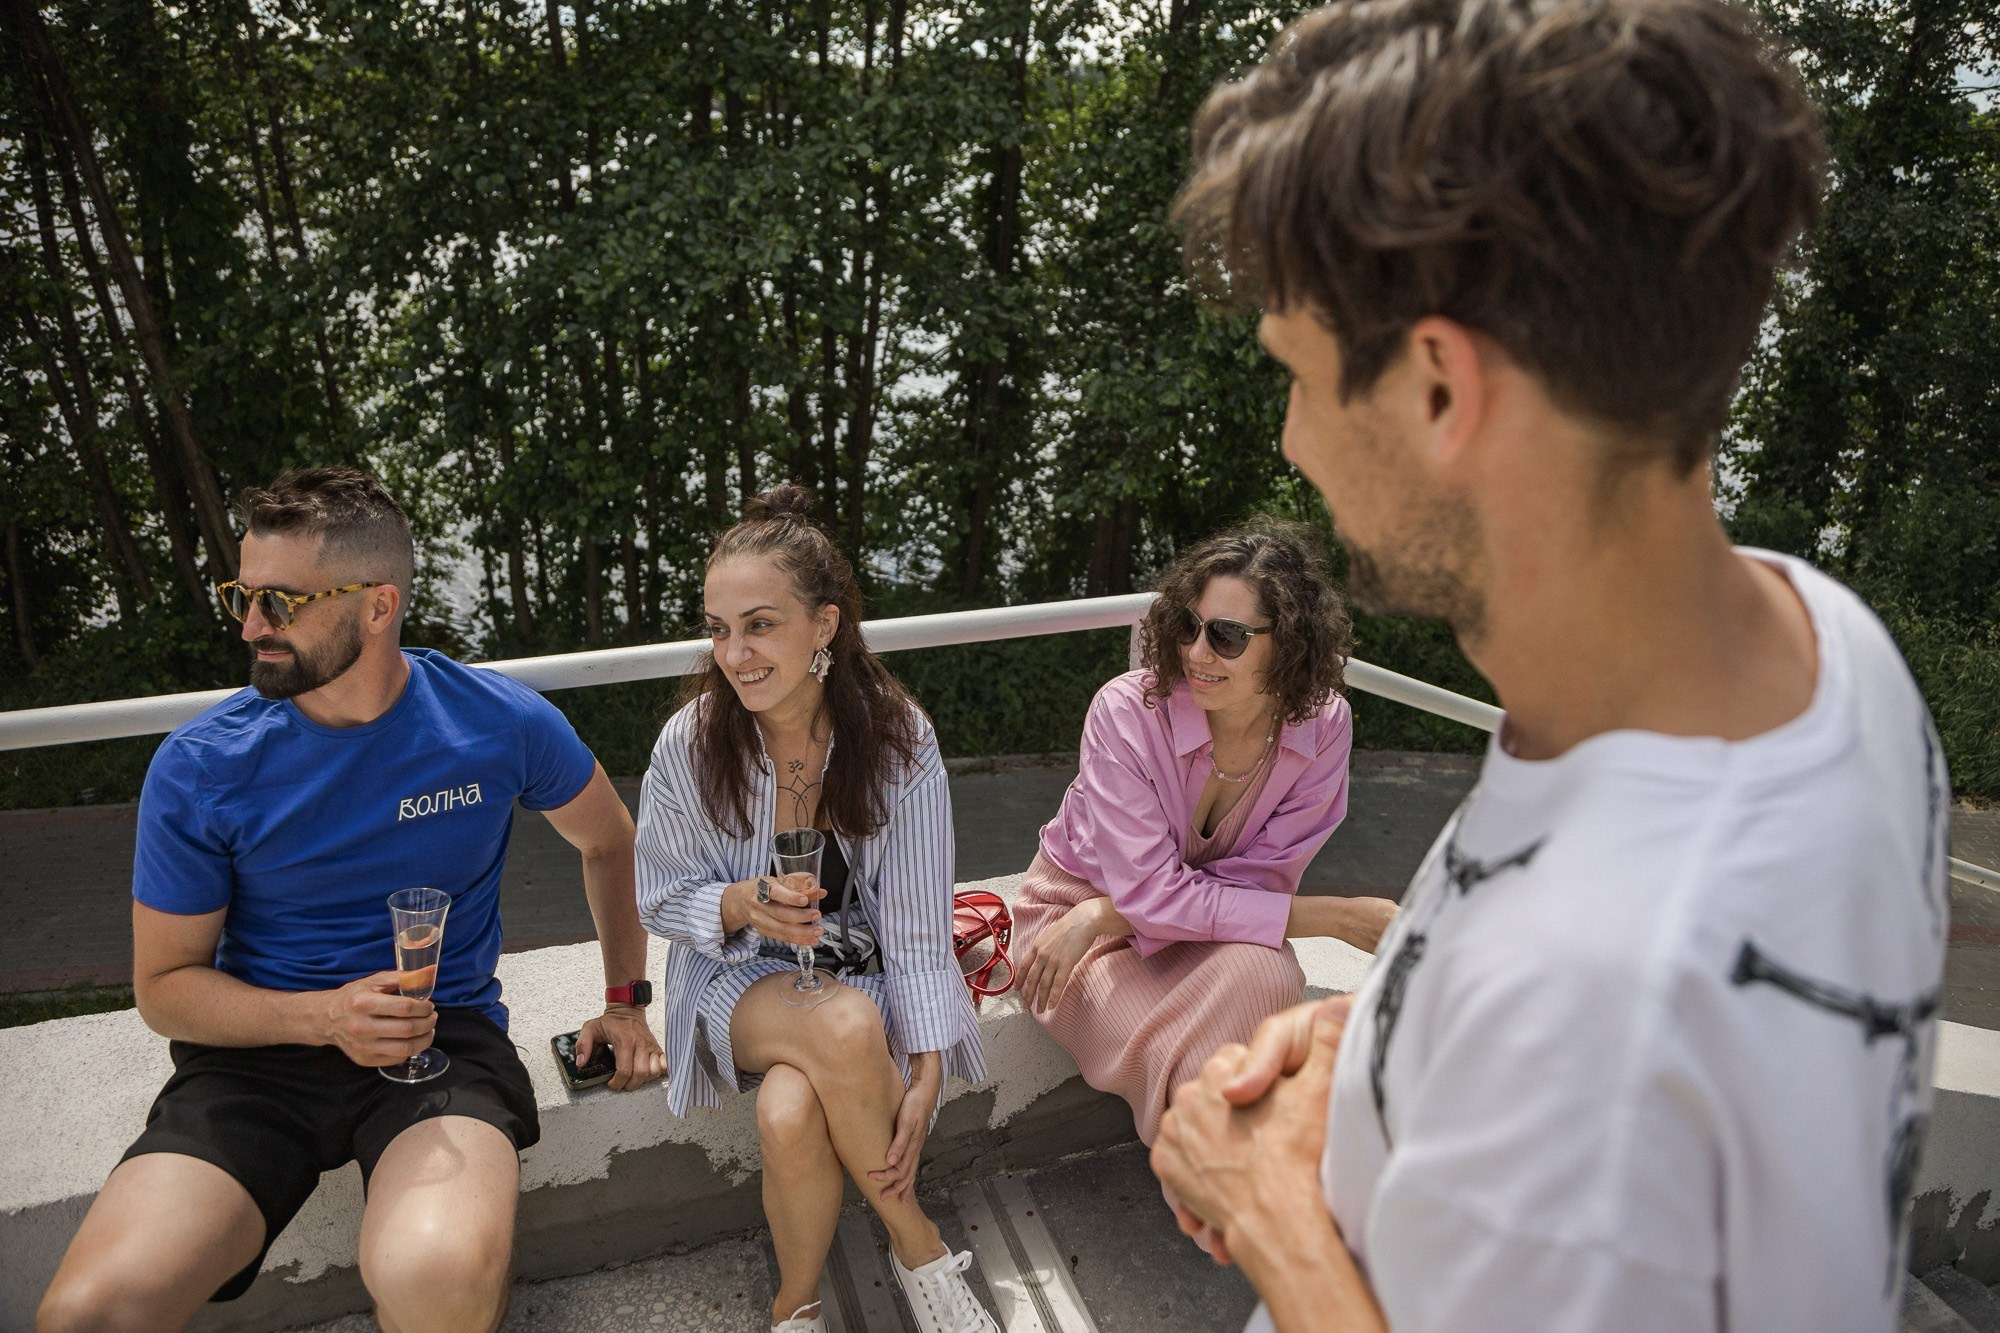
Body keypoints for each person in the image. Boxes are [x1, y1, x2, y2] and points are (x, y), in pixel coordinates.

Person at [1147, 2, 1950, 1331]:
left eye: (1295, 373)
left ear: (1441, 392)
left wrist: (1265, 1209)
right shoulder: (1825, 643)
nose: (1290, 440)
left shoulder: (1598, 1012)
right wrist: (1386, 1056)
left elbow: (1604, 1067)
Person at [36, 468, 665, 1333]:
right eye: (242, 597)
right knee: (90, 1311)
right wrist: (325, 1017)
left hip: (441, 1039)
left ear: (378, 605)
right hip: (255, 1060)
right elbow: (166, 987)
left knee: (437, 1276)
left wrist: (625, 1002)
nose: (253, 626)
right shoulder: (201, 764)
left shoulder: (496, 722)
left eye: (281, 603)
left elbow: (609, 838)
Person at [635, 484, 998, 1333]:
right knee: (833, 1033)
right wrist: (740, 901)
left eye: (760, 624)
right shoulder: (690, 743)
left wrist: (931, 1058)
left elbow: (913, 925)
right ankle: (923, 1250)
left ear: (824, 625)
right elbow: (658, 892)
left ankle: (793, 1310)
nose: (735, 653)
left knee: (790, 1108)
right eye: (719, 628)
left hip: (862, 973)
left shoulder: (896, 735)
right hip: (739, 973)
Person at [1011, 521, 1396, 1144]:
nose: (1196, 652)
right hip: (1070, 926)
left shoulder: (1323, 727)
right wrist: (1342, 917)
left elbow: (1254, 885)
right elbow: (1160, 894)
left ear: (1289, 643)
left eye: (1227, 635)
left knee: (1267, 976)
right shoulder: (1128, 711)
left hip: (1148, 922)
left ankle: (1213, 1175)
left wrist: (1119, 912)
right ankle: (1232, 1188)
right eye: (1187, 626)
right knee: (1225, 1039)